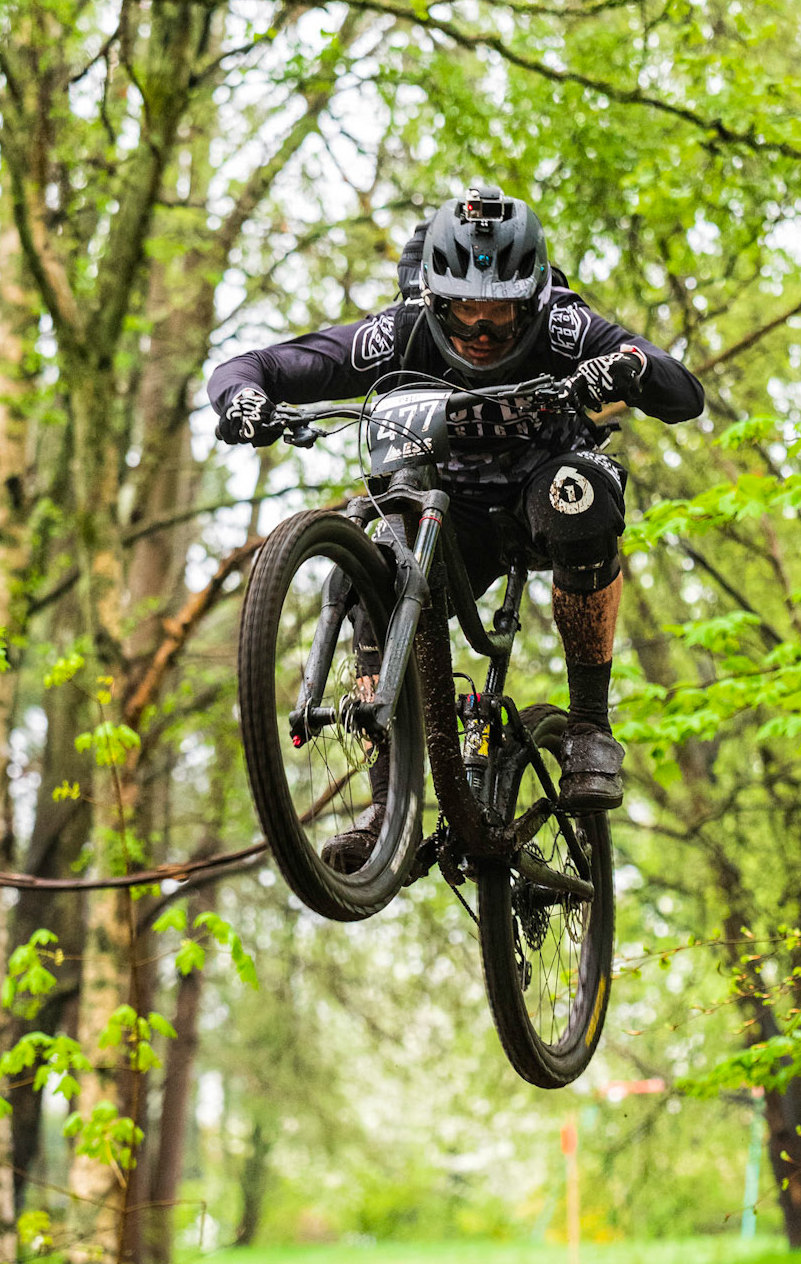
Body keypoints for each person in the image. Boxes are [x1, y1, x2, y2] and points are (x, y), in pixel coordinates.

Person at [208, 184, 704, 870]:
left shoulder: (565, 327)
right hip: (451, 517)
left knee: (577, 492)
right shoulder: (400, 331)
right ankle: (390, 813)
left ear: (530, 299)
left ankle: (590, 727)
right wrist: (244, 400)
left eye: (500, 311)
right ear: (435, 299)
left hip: (541, 495)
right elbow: (256, 365)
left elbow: (684, 394)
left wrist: (627, 368)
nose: (480, 329)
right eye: (465, 307)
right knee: (371, 567)